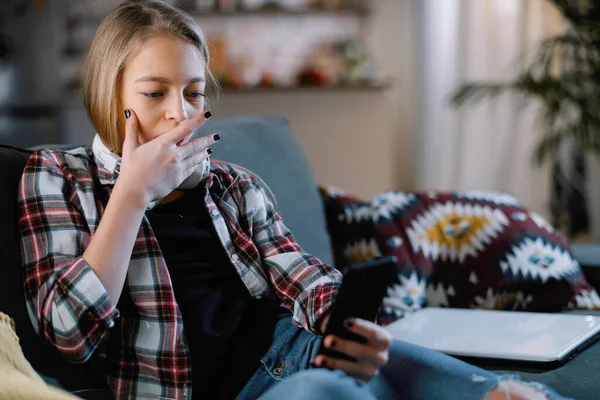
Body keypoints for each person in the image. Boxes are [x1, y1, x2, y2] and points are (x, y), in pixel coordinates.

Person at [18, 1, 567, 399]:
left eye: (193, 92)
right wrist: (133, 195)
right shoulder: (56, 176)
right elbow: (69, 330)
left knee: (417, 373)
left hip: (289, 355)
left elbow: (302, 276)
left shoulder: (234, 185)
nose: (180, 113)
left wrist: (344, 324)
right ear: (106, 91)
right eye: (154, 92)